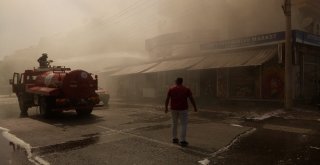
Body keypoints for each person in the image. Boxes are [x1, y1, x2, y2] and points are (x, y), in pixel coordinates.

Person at [165, 77, 198, 147]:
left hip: (173, 109)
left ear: (176, 82)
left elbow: (167, 99)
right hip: (183, 109)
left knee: (174, 123)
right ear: (182, 82)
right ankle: (182, 140)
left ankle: (174, 138)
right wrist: (195, 107)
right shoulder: (186, 89)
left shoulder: (171, 89)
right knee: (183, 124)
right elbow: (191, 98)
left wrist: (166, 108)